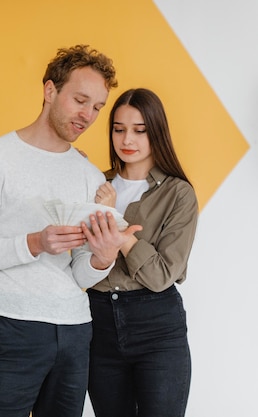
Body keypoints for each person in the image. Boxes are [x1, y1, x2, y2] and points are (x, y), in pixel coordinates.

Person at [0, 44, 141, 417]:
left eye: (98, 107)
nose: (87, 115)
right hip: (12, 328)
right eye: (80, 100)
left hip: (75, 331)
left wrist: (103, 257)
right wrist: (35, 242)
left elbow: (79, 272)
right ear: (50, 91)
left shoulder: (87, 174)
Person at [88, 88, 198, 417]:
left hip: (157, 327)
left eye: (139, 130)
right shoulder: (94, 184)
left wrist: (116, 227)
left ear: (156, 132)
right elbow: (77, 260)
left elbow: (162, 275)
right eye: (119, 128)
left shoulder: (179, 194)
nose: (127, 139)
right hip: (98, 323)